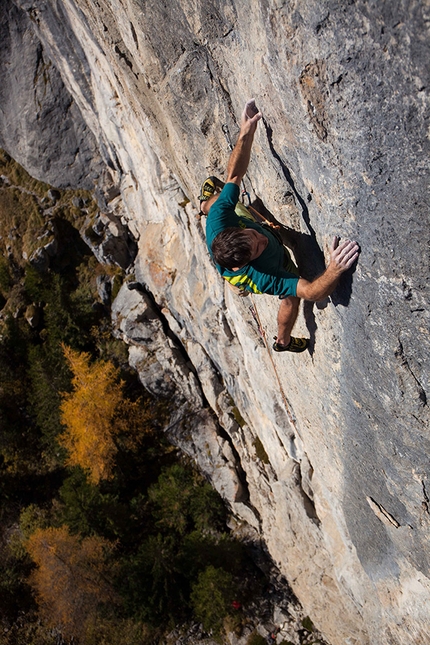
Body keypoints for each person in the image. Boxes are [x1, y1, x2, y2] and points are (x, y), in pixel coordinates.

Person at [200, 99, 359, 353]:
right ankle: (282, 341)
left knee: (220, 201)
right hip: (243, 274)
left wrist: (246, 131)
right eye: (257, 248)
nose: (262, 239)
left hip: (224, 240)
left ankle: (202, 204)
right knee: (291, 299)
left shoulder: (220, 219)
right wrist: (333, 269)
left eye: (253, 235)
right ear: (248, 262)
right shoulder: (264, 276)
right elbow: (310, 292)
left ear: (237, 229)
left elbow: (234, 175)